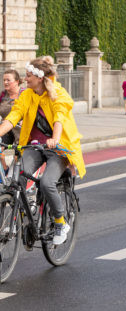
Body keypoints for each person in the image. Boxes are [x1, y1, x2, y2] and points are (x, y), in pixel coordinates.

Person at [0, 56, 86, 245]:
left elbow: (59, 118)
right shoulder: (27, 95)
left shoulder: (58, 93)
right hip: (34, 145)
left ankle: (60, 223)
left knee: (47, 183)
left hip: (59, 148)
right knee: (18, 177)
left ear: (39, 78)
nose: (26, 78)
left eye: (29, 75)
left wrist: (55, 139)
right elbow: (13, 116)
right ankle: (16, 219)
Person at [0, 69, 25, 171]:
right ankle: (6, 174)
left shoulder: (24, 94)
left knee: (18, 155)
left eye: (8, 80)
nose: (5, 82)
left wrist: (25, 120)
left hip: (21, 129)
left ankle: (16, 176)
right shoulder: (2, 95)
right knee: (1, 153)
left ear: (17, 81)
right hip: (7, 129)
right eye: (4, 80)